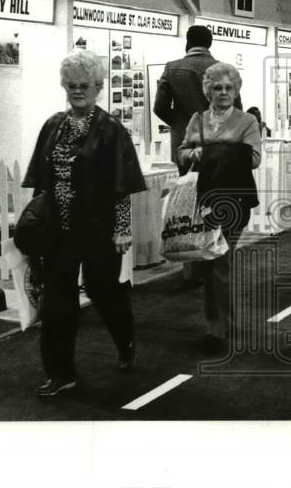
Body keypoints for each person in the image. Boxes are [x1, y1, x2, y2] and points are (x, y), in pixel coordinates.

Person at [23, 50, 146, 397]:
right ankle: (60, 374)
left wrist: (123, 229)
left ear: (99, 87)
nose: (78, 91)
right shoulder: (52, 125)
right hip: (57, 230)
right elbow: (40, 182)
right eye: (72, 85)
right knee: (57, 302)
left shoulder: (111, 130)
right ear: (64, 86)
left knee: (103, 291)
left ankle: (125, 340)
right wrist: (34, 224)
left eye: (85, 85)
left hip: (98, 227)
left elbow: (122, 186)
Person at [177, 62, 261, 349]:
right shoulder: (197, 120)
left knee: (218, 262)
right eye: (217, 88)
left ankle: (217, 329)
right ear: (207, 91)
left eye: (228, 87)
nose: (223, 92)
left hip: (234, 200)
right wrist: (193, 154)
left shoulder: (247, 121)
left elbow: (254, 159)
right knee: (211, 263)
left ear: (236, 90)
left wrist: (213, 153)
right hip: (202, 199)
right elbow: (181, 153)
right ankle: (226, 321)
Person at [153, 25, 241, 173]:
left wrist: (181, 124)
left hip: (185, 145)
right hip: (218, 144)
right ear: (209, 44)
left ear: (188, 43)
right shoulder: (226, 71)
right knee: (215, 191)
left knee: (185, 190)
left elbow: (160, 108)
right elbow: (237, 111)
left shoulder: (171, 69)